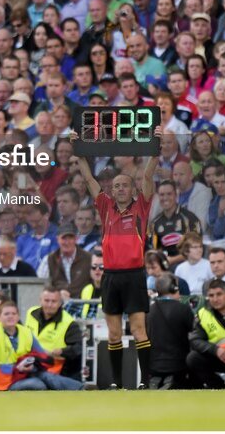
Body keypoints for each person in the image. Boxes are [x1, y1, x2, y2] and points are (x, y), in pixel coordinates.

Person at [70, 126, 160, 389]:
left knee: (139, 329)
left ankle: (146, 381)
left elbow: (148, 174)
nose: (120, 189)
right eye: (116, 185)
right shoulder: (105, 206)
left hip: (134, 275)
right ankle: (117, 384)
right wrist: (78, 152)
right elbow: (88, 180)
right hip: (110, 277)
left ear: (133, 190)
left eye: (124, 185)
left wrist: (154, 150)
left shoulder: (141, 206)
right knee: (113, 333)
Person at [0, 300, 82, 391]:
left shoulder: (26, 332)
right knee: (38, 384)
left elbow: (43, 357)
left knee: (48, 376)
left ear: (18, 316)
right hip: (5, 382)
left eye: (13, 313)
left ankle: (82, 388)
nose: (10, 316)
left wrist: (33, 365)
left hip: (25, 374)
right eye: (6, 314)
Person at [146, 274, 195, 389]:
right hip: (178, 366)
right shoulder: (184, 309)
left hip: (153, 366)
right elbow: (194, 335)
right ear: (175, 289)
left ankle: (159, 380)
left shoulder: (149, 311)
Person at [25, 287, 83, 381]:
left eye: (53, 301)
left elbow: (79, 348)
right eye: (46, 300)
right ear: (40, 301)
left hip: (53, 365)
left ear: (60, 303)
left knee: (38, 383)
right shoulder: (31, 313)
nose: (49, 305)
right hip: (29, 360)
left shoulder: (68, 322)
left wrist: (61, 351)